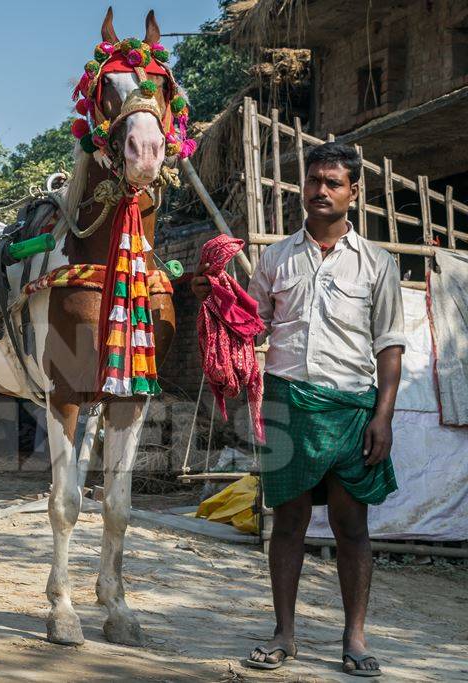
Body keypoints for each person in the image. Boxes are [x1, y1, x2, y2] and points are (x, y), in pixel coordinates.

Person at [192, 143, 404, 677]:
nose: (321, 191)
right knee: (287, 523)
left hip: (353, 407)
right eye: (313, 181)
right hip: (287, 403)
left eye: (334, 182)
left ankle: (354, 638)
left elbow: (390, 347)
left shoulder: (377, 264)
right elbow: (251, 323)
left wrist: (383, 416)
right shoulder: (277, 258)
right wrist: (217, 297)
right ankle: (283, 634)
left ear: (354, 192)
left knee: (351, 525)